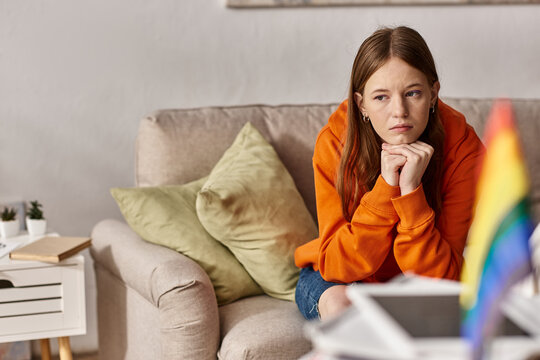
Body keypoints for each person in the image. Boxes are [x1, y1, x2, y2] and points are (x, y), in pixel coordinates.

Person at [294, 26, 484, 321]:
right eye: (381, 97)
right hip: (343, 279)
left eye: (413, 93)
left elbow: (442, 283)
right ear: (361, 104)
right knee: (341, 304)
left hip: (417, 284)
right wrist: (386, 187)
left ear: (433, 94)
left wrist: (411, 193)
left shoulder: (463, 148)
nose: (399, 111)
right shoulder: (334, 142)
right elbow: (337, 265)